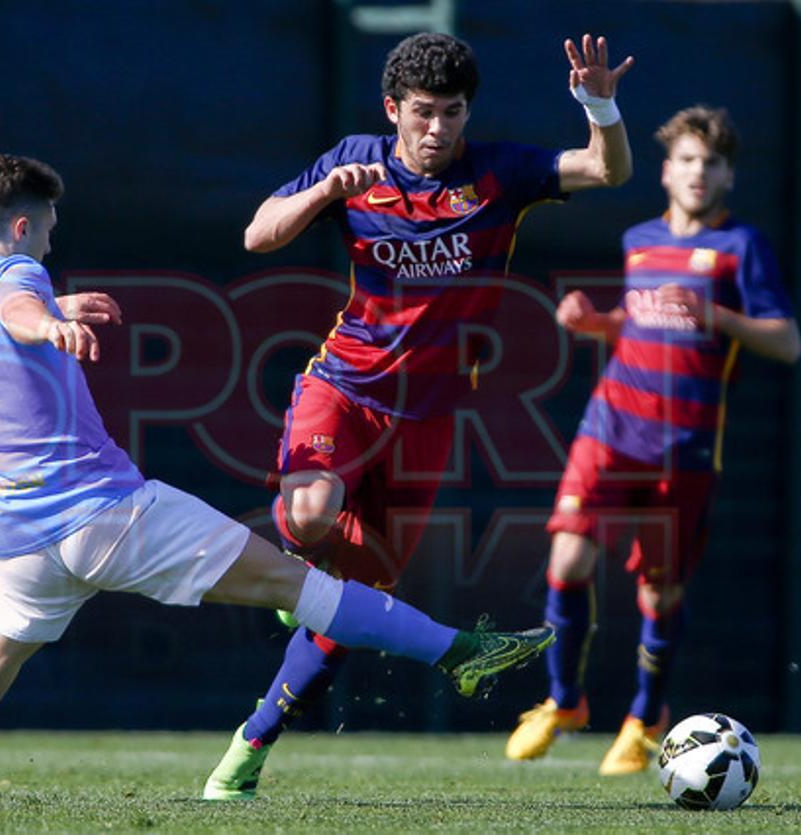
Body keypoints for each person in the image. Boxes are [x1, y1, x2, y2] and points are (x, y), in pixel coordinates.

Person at [0, 153, 555, 798]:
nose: (49, 243)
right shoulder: (21, 276)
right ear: (20, 226)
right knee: (298, 587)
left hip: (13, 541)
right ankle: (460, 651)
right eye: (45, 229)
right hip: (102, 514)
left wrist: (49, 310)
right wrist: (51, 319)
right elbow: (17, 301)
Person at [203, 31, 634, 800]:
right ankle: (306, 563)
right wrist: (326, 191)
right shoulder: (355, 160)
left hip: (428, 419)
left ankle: (251, 742)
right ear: (393, 108)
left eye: (454, 113)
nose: (439, 130)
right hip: (343, 385)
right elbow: (257, 233)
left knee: (358, 607)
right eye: (425, 113)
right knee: (308, 512)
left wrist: (598, 104)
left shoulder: (498, 173)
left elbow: (608, 167)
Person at [504, 106, 801, 774]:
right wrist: (596, 323)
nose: (700, 172)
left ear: (729, 175)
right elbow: (645, 327)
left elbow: (787, 341)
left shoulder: (741, 247)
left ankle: (643, 718)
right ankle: (563, 700)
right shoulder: (638, 239)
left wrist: (719, 314)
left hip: (685, 444)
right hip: (610, 427)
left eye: (714, 162)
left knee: (660, 594)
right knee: (568, 556)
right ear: (667, 170)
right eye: (690, 159)